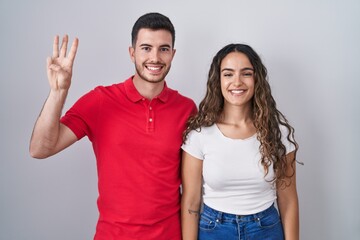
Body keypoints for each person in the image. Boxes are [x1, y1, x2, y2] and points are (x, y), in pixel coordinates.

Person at [29, 12, 197, 240]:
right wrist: (58, 92)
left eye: (163, 49)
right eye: (146, 48)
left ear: (173, 54)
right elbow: (40, 149)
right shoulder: (100, 101)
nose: (155, 57)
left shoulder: (186, 109)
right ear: (132, 53)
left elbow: (192, 190)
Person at [181, 43, 300, 240]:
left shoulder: (278, 133)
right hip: (214, 230)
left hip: (266, 229)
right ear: (217, 80)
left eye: (246, 73)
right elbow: (191, 204)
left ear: (256, 79)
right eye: (228, 74)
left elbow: (288, 201)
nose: (237, 82)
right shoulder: (199, 135)